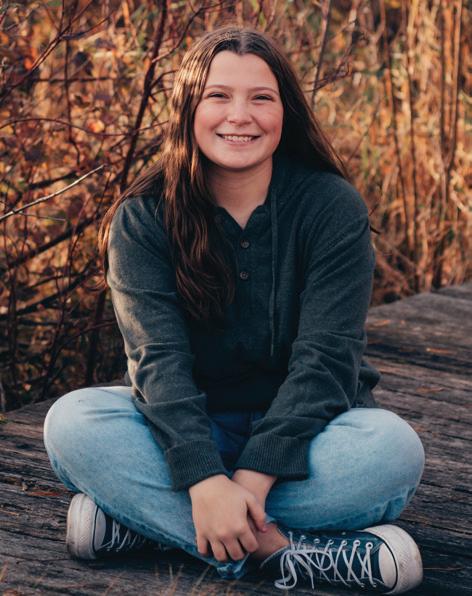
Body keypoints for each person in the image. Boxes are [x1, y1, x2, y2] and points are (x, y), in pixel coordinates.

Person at [43, 25, 425, 593]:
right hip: (184, 431)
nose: (239, 116)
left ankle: (150, 526)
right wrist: (204, 479)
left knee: (391, 451)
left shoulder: (330, 207)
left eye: (260, 98)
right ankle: (281, 551)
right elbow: (158, 362)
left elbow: (326, 362)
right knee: (74, 423)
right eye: (218, 96)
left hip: (309, 437)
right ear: (189, 110)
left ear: (285, 111)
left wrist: (249, 476)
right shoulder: (144, 216)